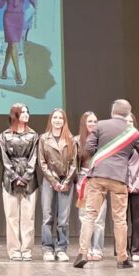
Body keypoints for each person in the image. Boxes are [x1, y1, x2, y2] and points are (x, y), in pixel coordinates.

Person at [73, 99, 139, 269]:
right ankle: (122, 258)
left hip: (98, 176)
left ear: (112, 111)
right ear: (127, 114)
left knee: (89, 214)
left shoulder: (100, 126)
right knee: (119, 219)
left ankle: (82, 252)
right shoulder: (132, 133)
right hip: (119, 178)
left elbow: (88, 149)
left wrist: (98, 157)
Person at [0, 103, 39, 261]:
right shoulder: (5, 135)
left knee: (28, 216)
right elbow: (4, 158)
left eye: (27, 112)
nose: (26, 114)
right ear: (15, 115)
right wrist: (15, 176)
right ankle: (14, 250)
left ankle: (27, 250)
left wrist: (27, 176)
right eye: (23, 112)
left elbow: (35, 157)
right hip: (10, 180)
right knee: (11, 216)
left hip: (29, 180)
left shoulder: (34, 135)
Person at [38, 108, 79, 261]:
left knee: (63, 219)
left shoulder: (70, 139)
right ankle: (47, 248)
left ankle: (61, 248)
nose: (57, 120)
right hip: (49, 181)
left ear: (64, 121)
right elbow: (42, 163)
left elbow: (75, 164)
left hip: (66, 182)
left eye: (60, 118)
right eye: (55, 117)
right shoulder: (43, 138)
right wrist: (53, 181)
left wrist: (66, 181)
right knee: (47, 216)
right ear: (51, 120)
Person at [74, 111, 108, 260]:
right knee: (84, 217)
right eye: (90, 121)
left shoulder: (103, 141)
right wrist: (77, 182)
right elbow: (74, 164)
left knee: (99, 218)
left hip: (99, 178)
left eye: (95, 121)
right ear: (84, 124)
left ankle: (97, 249)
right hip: (83, 179)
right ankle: (85, 250)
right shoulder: (77, 141)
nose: (93, 124)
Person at [125, 113, 139, 262]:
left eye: (131, 121)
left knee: (138, 219)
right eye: (125, 121)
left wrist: (137, 184)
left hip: (138, 186)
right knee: (121, 220)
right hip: (121, 184)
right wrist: (126, 183)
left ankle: (137, 251)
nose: (128, 123)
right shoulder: (116, 141)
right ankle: (122, 250)